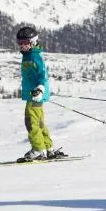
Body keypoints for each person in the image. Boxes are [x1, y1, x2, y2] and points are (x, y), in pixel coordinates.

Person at [16, 26, 65, 162]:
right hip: (33, 94)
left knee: (31, 122)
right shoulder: (27, 55)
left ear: (33, 41)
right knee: (39, 122)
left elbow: (42, 75)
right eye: (19, 43)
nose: (21, 46)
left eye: (24, 43)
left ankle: (38, 150)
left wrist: (40, 89)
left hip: (36, 94)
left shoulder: (35, 56)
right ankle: (48, 148)